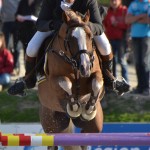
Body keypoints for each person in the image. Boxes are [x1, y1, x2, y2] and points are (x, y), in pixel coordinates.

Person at [8, 0, 130, 96]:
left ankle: (110, 79)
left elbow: (99, 26)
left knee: (105, 46)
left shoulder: (88, 1)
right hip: (57, 28)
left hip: (84, 29)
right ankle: (28, 80)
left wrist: (84, 25)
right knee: (31, 48)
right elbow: (40, 23)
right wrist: (53, 24)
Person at [125, 0, 150, 96]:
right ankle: (140, 87)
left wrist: (134, 18)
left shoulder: (148, 4)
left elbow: (149, 20)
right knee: (138, 62)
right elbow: (127, 20)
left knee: (145, 62)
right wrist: (141, 16)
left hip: (146, 36)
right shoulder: (133, 4)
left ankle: (146, 87)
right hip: (135, 36)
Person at [103, 0, 129, 82]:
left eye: (116, 0)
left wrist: (117, 24)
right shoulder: (108, 11)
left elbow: (128, 24)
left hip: (121, 40)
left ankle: (126, 81)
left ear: (120, 1)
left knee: (122, 60)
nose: (114, 2)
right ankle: (113, 81)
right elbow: (105, 24)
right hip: (110, 40)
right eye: (112, 0)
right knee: (112, 61)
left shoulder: (124, 11)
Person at [1, 0, 20, 75]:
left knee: (16, 46)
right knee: (5, 46)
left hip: (17, 22)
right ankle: (6, 67)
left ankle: (15, 67)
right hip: (6, 22)